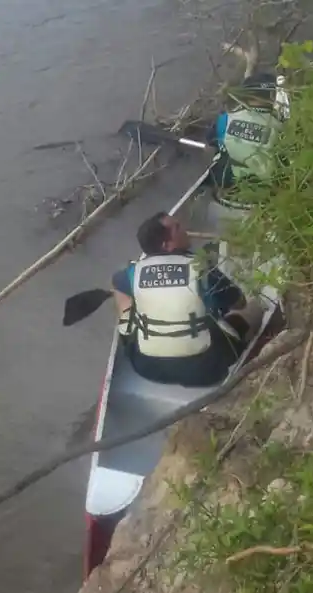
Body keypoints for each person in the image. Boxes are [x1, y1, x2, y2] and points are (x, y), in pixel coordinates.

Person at [110, 212, 266, 387]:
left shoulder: (131, 273)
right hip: (204, 370)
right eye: (178, 228)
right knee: (253, 308)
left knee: (121, 294)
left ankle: (129, 333)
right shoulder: (201, 268)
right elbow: (239, 302)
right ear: (167, 245)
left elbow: (116, 283)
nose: (184, 229)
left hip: (146, 367)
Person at [204, 73, 288, 208]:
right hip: (264, 195)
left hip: (225, 188)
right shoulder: (282, 127)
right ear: (273, 96)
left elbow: (209, 145)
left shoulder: (224, 119)